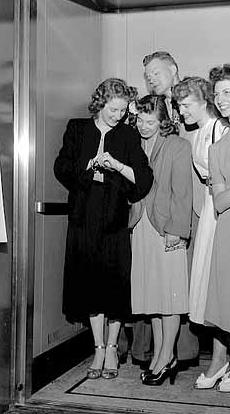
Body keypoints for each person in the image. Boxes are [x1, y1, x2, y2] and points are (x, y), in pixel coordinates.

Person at [54, 78, 153, 380]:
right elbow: (61, 168)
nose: (119, 116)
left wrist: (115, 169)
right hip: (83, 218)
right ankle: (98, 348)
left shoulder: (128, 135)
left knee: (113, 286)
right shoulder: (77, 129)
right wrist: (90, 165)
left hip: (114, 219)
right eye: (113, 109)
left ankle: (112, 348)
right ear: (100, 103)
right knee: (89, 285)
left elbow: (143, 179)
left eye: (123, 111)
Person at [140, 51, 201, 367]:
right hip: (157, 213)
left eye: (156, 72)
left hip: (191, 208)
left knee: (184, 289)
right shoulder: (149, 115)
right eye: (147, 74)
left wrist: (178, 227)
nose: (151, 78)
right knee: (164, 289)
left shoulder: (189, 105)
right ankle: (167, 354)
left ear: (174, 70)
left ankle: (179, 355)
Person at [128, 94, 193, 386]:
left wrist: (176, 230)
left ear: (163, 120)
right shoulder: (135, 143)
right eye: (140, 120)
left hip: (166, 226)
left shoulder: (178, 146)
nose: (143, 126)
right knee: (152, 295)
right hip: (141, 224)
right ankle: (158, 355)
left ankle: (168, 355)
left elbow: (183, 193)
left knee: (170, 296)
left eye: (150, 121)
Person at [172, 77, 229, 388]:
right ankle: (222, 359)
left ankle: (228, 360)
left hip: (221, 208)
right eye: (179, 106)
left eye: (186, 105)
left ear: (204, 101)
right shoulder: (198, 134)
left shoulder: (220, 129)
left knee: (218, 284)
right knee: (208, 285)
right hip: (208, 208)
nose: (181, 112)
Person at [198, 63, 230, 393]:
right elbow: (218, 202)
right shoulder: (216, 149)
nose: (221, 98)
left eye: (227, 91)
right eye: (217, 94)